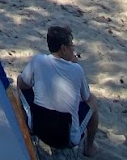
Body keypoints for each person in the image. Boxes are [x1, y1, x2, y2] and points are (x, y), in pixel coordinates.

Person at [19, 25, 99, 157]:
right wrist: (73, 64)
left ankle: (25, 130)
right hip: (66, 138)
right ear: (63, 49)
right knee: (93, 101)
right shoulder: (76, 69)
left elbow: (22, 85)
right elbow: (86, 97)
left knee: (20, 81)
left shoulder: (38, 61)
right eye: (71, 46)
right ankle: (89, 147)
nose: (73, 49)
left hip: (39, 128)